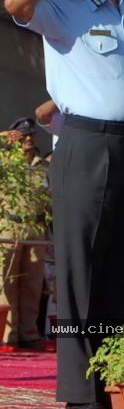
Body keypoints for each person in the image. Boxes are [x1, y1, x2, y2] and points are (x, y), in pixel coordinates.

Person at [4, 0, 124, 409]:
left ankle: (116, 378)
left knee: (123, 268)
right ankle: (81, 390)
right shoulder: (64, 4)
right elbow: (15, 2)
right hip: (86, 144)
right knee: (81, 271)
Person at [0, 118, 48, 350]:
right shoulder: (6, 164)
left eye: (31, 135)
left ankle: (29, 333)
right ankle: (10, 334)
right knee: (8, 282)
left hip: (36, 229)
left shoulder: (43, 166)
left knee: (32, 284)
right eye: (23, 136)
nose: (28, 140)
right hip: (10, 227)